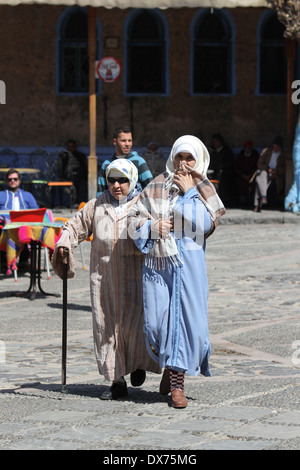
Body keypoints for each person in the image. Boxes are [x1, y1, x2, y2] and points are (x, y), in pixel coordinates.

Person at [128, 135, 226, 409]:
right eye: (179, 157)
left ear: (199, 160)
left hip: (190, 264)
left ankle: (177, 384)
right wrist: (151, 228)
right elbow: (134, 218)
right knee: (158, 324)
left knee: (186, 325)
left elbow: (205, 223)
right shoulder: (157, 184)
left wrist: (190, 193)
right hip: (159, 265)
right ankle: (171, 369)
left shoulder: (203, 189)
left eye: (189, 158)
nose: (183, 163)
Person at [52, 159, 161, 400]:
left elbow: (160, 230)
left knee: (135, 328)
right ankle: (117, 380)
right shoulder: (97, 205)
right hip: (104, 280)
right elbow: (74, 226)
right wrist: (64, 244)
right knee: (107, 328)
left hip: (136, 280)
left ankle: (138, 364)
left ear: (131, 180)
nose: (117, 185)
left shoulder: (143, 203)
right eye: (112, 180)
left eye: (122, 179)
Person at [0, 169, 39, 270]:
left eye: (15, 179)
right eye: (10, 179)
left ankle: (24, 261)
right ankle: (3, 261)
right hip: (4, 225)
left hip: (24, 225)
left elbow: (36, 212)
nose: (12, 181)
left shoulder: (28, 195)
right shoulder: (1, 195)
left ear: (19, 181)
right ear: (6, 181)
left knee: (26, 231)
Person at [97, 126, 153, 195]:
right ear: (115, 141)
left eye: (129, 141)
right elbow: (100, 192)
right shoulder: (107, 164)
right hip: (111, 205)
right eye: (123, 141)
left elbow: (150, 188)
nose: (127, 144)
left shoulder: (138, 162)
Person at [254, 136, 286, 212]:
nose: (275, 149)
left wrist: (277, 171)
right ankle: (263, 198)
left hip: (277, 174)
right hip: (266, 171)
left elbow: (286, 168)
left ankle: (260, 201)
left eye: (277, 147)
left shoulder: (284, 154)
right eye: (274, 147)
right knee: (260, 176)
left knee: (261, 181)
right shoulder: (267, 152)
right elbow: (260, 163)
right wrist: (268, 169)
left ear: (280, 147)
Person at [57, 139, 87, 204]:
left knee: (77, 180)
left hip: (78, 177)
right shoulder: (64, 156)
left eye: (72, 146)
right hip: (66, 176)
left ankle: (76, 202)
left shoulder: (80, 156)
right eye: (69, 146)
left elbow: (84, 168)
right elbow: (60, 168)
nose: (70, 148)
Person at [210, 133, 235, 206]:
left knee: (224, 180)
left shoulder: (226, 151)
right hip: (212, 172)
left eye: (216, 141)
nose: (214, 143)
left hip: (224, 173)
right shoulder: (212, 151)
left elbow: (229, 164)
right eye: (213, 142)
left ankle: (223, 200)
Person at [234, 141, 259, 207]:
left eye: (250, 148)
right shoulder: (240, 156)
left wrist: (250, 175)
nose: (248, 150)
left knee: (254, 184)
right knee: (238, 182)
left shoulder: (255, 156)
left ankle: (251, 202)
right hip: (241, 176)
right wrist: (242, 175)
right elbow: (236, 168)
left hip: (252, 176)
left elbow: (256, 167)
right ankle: (242, 200)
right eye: (247, 148)